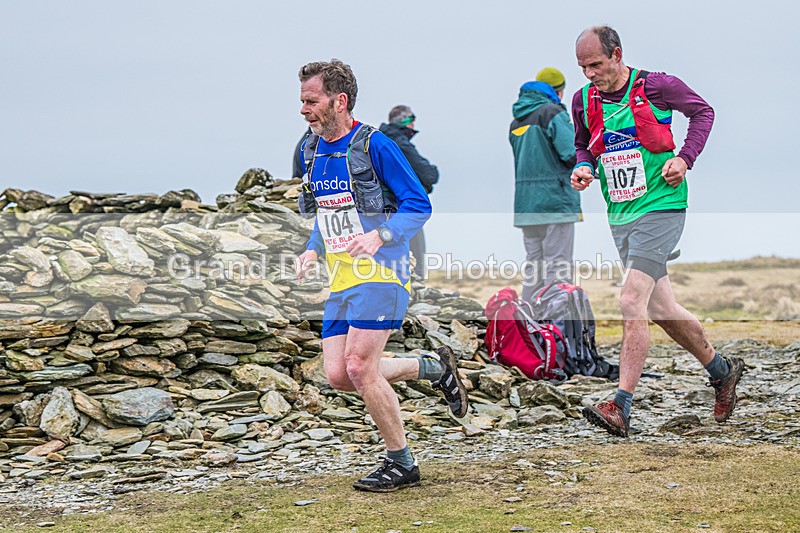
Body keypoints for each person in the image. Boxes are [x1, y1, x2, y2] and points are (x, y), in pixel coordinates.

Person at [294, 59, 468, 491]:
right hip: (342, 279)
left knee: (360, 366)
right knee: (338, 374)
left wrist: (381, 235)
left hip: (383, 272)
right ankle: (433, 368)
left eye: (311, 101)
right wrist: (312, 250)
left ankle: (402, 462)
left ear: (340, 100)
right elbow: (328, 211)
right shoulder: (310, 149)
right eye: (301, 101)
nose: (303, 110)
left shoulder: (376, 145)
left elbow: (419, 205)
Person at [569, 26, 744, 437]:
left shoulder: (657, 85)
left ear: (617, 54)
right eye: (582, 67)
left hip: (662, 206)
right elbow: (583, 145)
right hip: (621, 213)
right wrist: (582, 167)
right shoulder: (582, 100)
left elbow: (703, 111)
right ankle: (722, 372)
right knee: (662, 310)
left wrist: (685, 157)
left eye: (595, 64)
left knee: (631, 299)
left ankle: (620, 405)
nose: (590, 73)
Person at [509, 67, 581, 301]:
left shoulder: (516, 120)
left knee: (534, 268)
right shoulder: (552, 113)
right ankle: (557, 326)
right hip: (555, 202)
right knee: (557, 267)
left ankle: (530, 325)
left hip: (526, 206)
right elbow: (571, 154)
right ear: (558, 91)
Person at [379, 106, 439, 278]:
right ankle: (416, 296)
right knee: (416, 257)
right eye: (412, 120)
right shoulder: (400, 143)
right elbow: (430, 174)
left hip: (378, 211)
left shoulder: (378, 141)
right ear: (407, 122)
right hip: (404, 208)